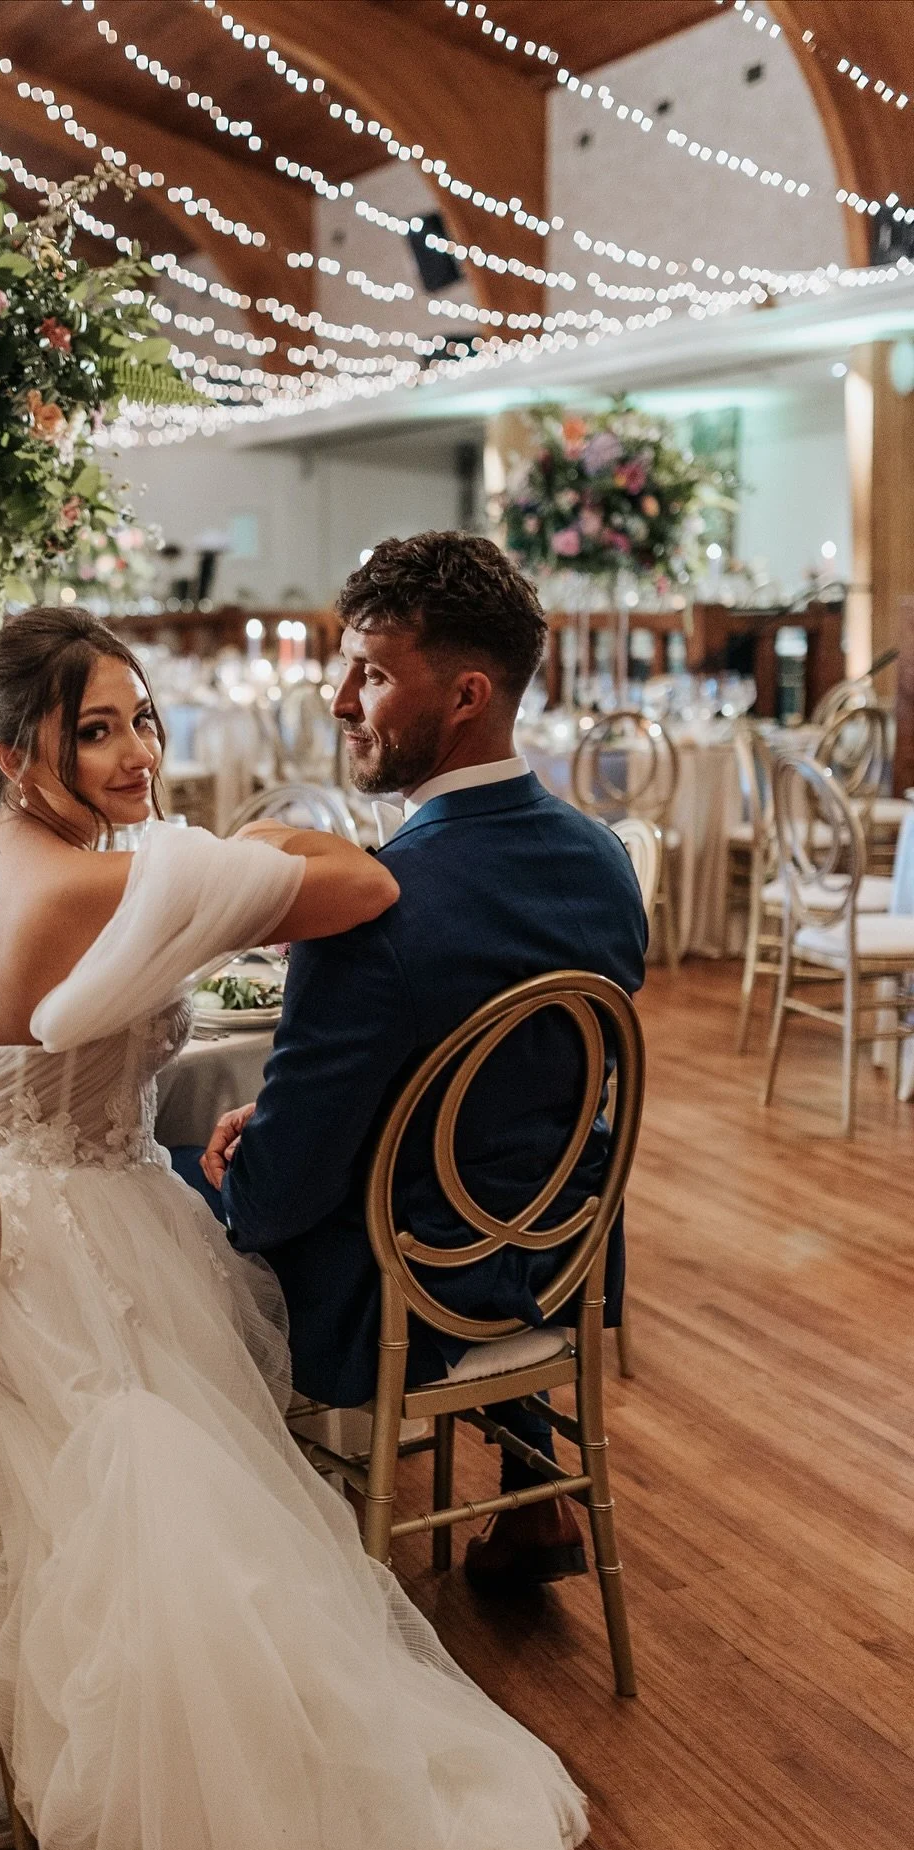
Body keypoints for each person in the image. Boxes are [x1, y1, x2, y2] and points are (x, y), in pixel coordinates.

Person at [0, 607, 589, 1850]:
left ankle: (35, 1727)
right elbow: (371, 886)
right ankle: (141, 1753)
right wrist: (252, 847)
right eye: (96, 728)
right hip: (87, 1223)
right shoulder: (112, 883)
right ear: (14, 745)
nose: (138, 749)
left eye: (142, 717)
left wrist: (197, 855)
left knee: (66, 1471)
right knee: (142, 1463)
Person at [191, 533, 647, 1589]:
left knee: (143, 1185)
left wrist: (241, 1153)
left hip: (400, 1288)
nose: (341, 699)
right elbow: (528, 1084)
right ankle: (534, 1489)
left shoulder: (377, 909)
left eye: (377, 674)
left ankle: (231, 1562)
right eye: (348, 667)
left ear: (467, 696)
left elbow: (273, 1206)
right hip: (557, 1246)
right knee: (463, 1155)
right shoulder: (604, 861)